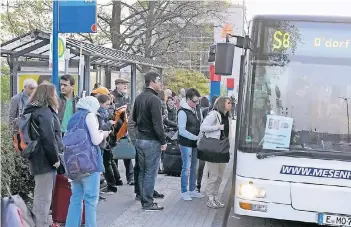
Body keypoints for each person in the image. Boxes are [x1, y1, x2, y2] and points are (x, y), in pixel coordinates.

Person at [22, 82, 62, 227]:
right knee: (43, 195)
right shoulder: (44, 111)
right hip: (44, 157)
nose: (56, 95)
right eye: (54, 93)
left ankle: (41, 221)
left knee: (41, 192)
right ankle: (41, 223)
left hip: (36, 155)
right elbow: (48, 138)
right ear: (49, 95)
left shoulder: (32, 109)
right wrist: (55, 159)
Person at [66, 96, 110, 226]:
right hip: (89, 163)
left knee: (75, 198)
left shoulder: (73, 118)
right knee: (90, 199)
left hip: (74, 163)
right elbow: (96, 140)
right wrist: (103, 134)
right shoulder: (90, 116)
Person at [132, 71, 167, 211]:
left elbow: (134, 118)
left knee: (141, 171)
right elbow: (157, 124)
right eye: (159, 81)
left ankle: (142, 195)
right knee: (150, 172)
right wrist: (163, 141)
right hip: (151, 141)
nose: (161, 84)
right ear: (151, 82)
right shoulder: (155, 100)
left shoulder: (139, 98)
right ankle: (147, 202)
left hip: (140, 139)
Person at [200, 96, 232, 208]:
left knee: (220, 176)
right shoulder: (214, 114)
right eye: (229, 103)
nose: (231, 105)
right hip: (214, 148)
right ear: (223, 104)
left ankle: (215, 197)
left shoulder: (228, 117)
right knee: (213, 175)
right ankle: (209, 198)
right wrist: (217, 127)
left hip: (223, 149)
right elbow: (203, 127)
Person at [177, 88, 204, 201]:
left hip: (195, 143)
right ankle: (184, 191)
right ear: (188, 99)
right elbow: (181, 130)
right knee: (186, 167)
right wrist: (196, 137)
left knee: (194, 167)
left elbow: (201, 123)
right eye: (194, 101)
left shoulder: (197, 109)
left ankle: (192, 189)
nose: (196, 103)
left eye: (198, 101)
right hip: (185, 143)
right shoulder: (182, 111)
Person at [111, 78, 134, 185]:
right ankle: (116, 178)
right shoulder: (112, 96)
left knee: (126, 154)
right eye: (123, 84)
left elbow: (129, 112)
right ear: (117, 85)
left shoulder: (126, 98)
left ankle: (131, 178)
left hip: (124, 129)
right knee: (113, 155)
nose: (125, 86)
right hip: (114, 130)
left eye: (126, 84)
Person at [96, 94, 118, 193]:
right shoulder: (99, 114)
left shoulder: (103, 113)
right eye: (107, 104)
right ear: (100, 103)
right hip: (101, 141)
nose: (108, 107)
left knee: (106, 163)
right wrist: (109, 124)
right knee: (105, 163)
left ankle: (111, 185)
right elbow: (101, 128)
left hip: (104, 141)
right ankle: (111, 184)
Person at [197, 95, 219, 192]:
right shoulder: (207, 112)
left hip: (209, 142)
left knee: (207, 166)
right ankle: (200, 185)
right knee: (205, 166)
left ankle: (201, 186)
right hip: (208, 142)